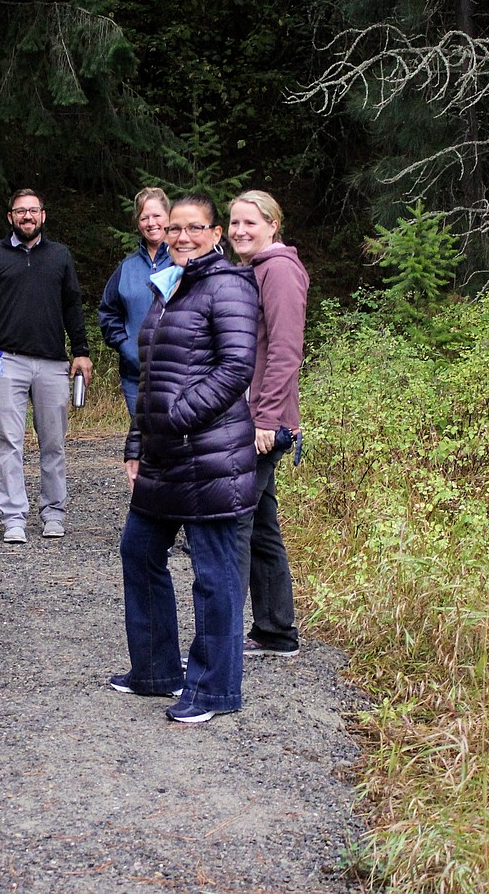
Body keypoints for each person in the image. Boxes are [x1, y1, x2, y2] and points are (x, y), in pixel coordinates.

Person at [110, 193, 258, 723]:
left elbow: (237, 367)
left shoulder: (228, 286)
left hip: (210, 457)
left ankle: (214, 690)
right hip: (164, 457)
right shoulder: (169, 287)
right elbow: (154, 377)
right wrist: (137, 440)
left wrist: (176, 418)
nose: (182, 237)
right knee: (139, 551)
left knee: (215, 574)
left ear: (216, 234)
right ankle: (154, 670)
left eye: (195, 228)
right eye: (175, 228)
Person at [0, 189, 94, 543]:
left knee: (53, 442)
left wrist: (82, 351)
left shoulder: (59, 256)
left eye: (33, 210)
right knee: (9, 442)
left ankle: (53, 513)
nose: (27, 216)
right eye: (20, 211)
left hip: (53, 363)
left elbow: (73, 304)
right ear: (10, 217)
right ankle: (14, 518)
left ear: (44, 215)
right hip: (5, 360)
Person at [227, 190, 309, 658]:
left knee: (234, 521)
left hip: (261, 423)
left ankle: (223, 640)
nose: (240, 230)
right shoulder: (255, 269)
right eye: (234, 222)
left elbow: (284, 350)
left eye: (250, 223)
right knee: (260, 525)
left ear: (273, 225)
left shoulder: (277, 270)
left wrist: (266, 417)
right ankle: (276, 633)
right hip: (252, 416)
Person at [98, 187, 173, 416]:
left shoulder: (185, 261)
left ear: (169, 217)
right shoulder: (127, 268)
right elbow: (108, 312)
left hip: (179, 373)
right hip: (136, 376)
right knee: (144, 440)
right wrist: (125, 346)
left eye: (157, 215)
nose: (151, 223)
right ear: (137, 223)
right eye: (144, 217)